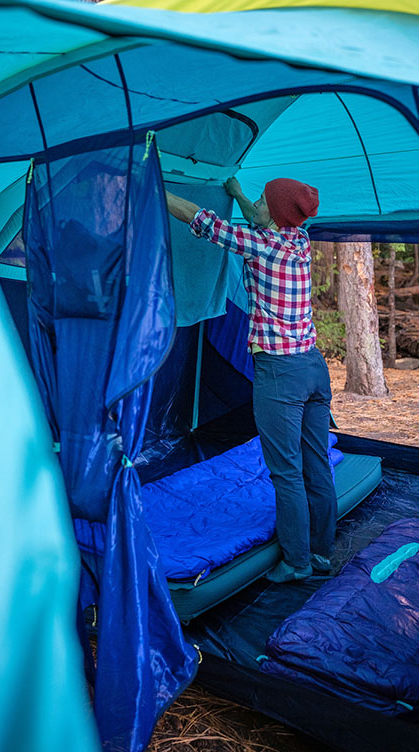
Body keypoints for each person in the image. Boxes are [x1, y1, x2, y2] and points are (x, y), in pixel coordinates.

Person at [164, 177, 334, 583]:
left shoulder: (260, 245)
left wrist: (154, 184)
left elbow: (198, 218)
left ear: (272, 214)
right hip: (313, 366)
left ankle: (296, 563)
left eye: (260, 200)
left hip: (281, 374)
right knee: (316, 463)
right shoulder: (298, 242)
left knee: (286, 471)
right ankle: (322, 553)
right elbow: (263, 220)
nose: (255, 203)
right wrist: (239, 194)